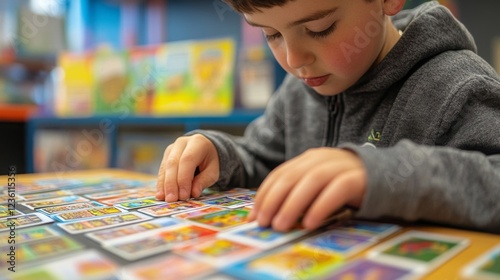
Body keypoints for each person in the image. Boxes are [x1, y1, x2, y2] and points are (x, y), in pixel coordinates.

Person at [156, 0, 500, 234]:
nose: (293, 59)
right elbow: (262, 160)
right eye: (271, 34)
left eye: (320, 28)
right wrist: (220, 153)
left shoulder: (457, 83)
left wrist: (378, 173)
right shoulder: (297, 91)